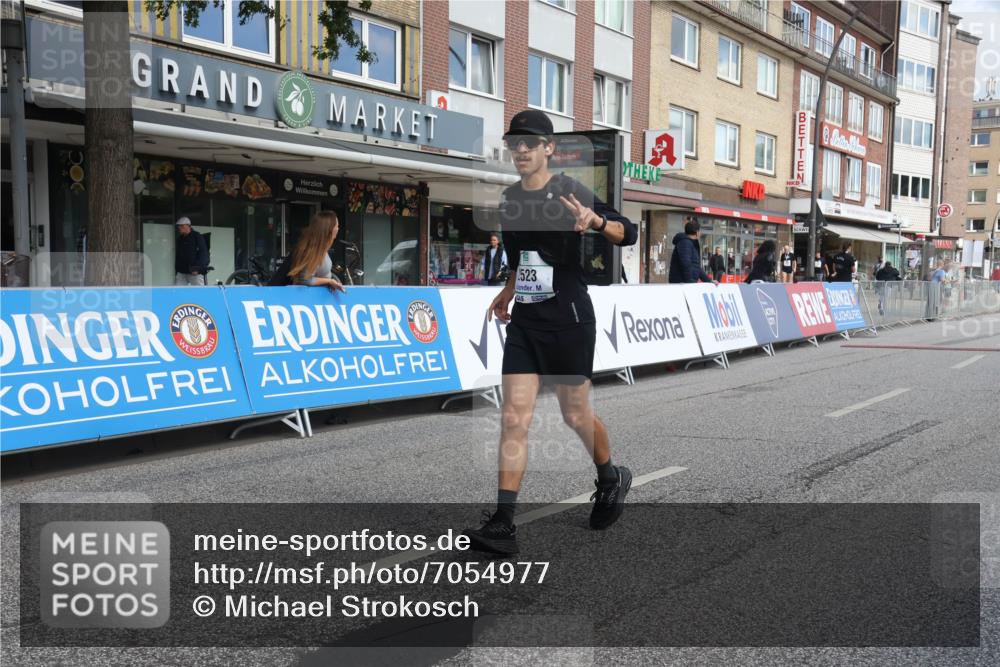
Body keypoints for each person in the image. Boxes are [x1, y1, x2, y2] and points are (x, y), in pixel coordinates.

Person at [463, 109, 638, 555]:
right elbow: (523, 257)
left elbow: (628, 232)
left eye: (528, 144)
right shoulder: (509, 198)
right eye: (513, 144)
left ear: (548, 149)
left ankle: (610, 476)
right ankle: (504, 523)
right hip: (526, 320)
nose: (519, 151)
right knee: (513, 415)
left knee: (574, 415)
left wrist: (596, 223)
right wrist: (507, 290)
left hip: (569, 319)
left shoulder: (570, 192)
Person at [287, 210, 345, 291]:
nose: (338, 229)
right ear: (329, 229)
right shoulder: (313, 251)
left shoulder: (322, 249)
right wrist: (329, 281)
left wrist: (334, 280)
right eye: (336, 226)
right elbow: (306, 279)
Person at [668, 218, 713, 284]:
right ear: (697, 232)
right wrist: (690, 282)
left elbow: (696, 267)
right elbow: (686, 264)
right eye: (699, 231)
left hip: (687, 283)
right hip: (682, 284)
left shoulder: (691, 243)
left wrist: (709, 281)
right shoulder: (685, 243)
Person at [174, 217, 209, 285]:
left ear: (188, 226)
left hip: (194, 271)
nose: (179, 228)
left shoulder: (197, 236)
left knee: (198, 292)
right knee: (178, 291)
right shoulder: (180, 239)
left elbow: (203, 253)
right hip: (182, 271)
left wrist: (198, 268)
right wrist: (177, 268)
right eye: (179, 226)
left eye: (182, 226)